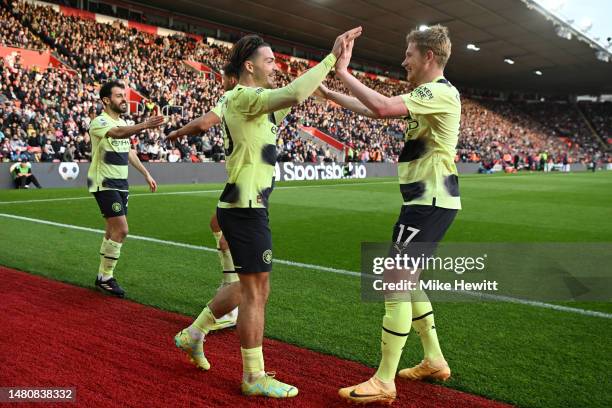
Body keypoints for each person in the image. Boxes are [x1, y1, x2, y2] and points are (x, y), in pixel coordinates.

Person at [173, 27, 362, 399]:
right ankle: (253, 376)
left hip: (240, 203)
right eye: (270, 60)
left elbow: (297, 95)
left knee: (245, 287)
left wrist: (335, 74)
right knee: (257, 291)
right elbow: (294, 92)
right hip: (245, 206)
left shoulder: (244, 99)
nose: (275, 66)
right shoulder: (244, 95)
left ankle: (194, 334)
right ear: (249, 66)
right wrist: (329, 57)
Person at [317, 25, 460, 404]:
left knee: (394, 280)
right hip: (427, 200)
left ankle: (384, 380)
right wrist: (334, 93)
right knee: (408, 280)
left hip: (429, 201)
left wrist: (344, 71)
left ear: (428, 56)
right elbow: (374, 111)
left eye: (409, 53)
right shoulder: (427, 95)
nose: (403, 60)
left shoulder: (439, 92)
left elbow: (381, 106)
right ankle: (433, 358)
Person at [166, 63, 240, 330]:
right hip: (240, 180)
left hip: (245, 182)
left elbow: (205, 123)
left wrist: (176, 132)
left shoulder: (233, 95)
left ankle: (231, 299)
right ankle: (231, 288)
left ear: (232, 78)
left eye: (222, 78)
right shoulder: (249, 96)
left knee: (228, 240)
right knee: (217, 225)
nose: (220, 83)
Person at [88, 80, 164, 298]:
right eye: (119, 95)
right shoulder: (99, 122)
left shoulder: (122, 122)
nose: (124, 99)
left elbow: (129, 151)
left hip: (121, 184)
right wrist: (144, 125)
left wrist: (146, 174)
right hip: (104, 182)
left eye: (125, 95)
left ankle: (102, 276)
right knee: (122, 230)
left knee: (112, 230)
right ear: (106, 100)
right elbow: (119, 134)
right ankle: (106, 277)